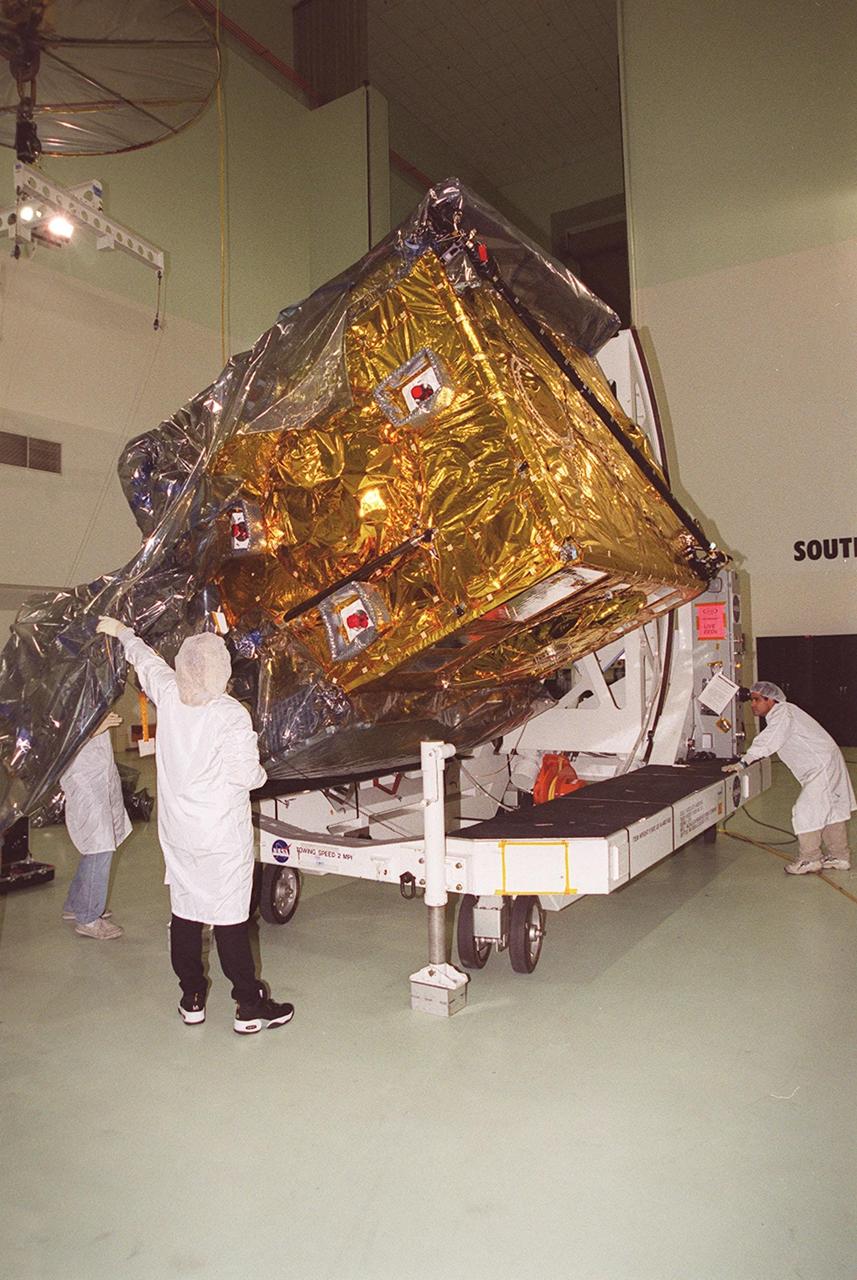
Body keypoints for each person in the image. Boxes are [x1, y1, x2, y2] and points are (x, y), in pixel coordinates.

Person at [96, 617, 294, 1035]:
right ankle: (248, 1005)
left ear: (183, 666)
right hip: (221, 835)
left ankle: (191, 998)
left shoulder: (169, 694)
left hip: (180, 833)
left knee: (185, 912)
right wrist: (263, 774)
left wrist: (120, 632)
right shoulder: (229, 714)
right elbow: (246, 776)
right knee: (229, 918)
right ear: (222, 671)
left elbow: (146, 662)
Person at [724, 681, 855, 875]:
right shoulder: (785, 712)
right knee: (831, 809)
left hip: (821, 767)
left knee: (806, 809)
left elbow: (769, 740)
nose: (752, 704)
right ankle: (840, 856)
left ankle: (810, 859)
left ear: (771, 700)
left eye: (757, 700)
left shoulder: (782, 713)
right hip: (825, 763)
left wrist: (743, 762)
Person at [60, 710, 129, 939]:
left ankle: (75, 904)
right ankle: (88, 918)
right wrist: (93, 730)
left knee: (98, 841)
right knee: (100, 844)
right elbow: (57, 735)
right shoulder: (62, 692)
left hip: (98, 771)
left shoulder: (87, 688)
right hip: (83, 777)